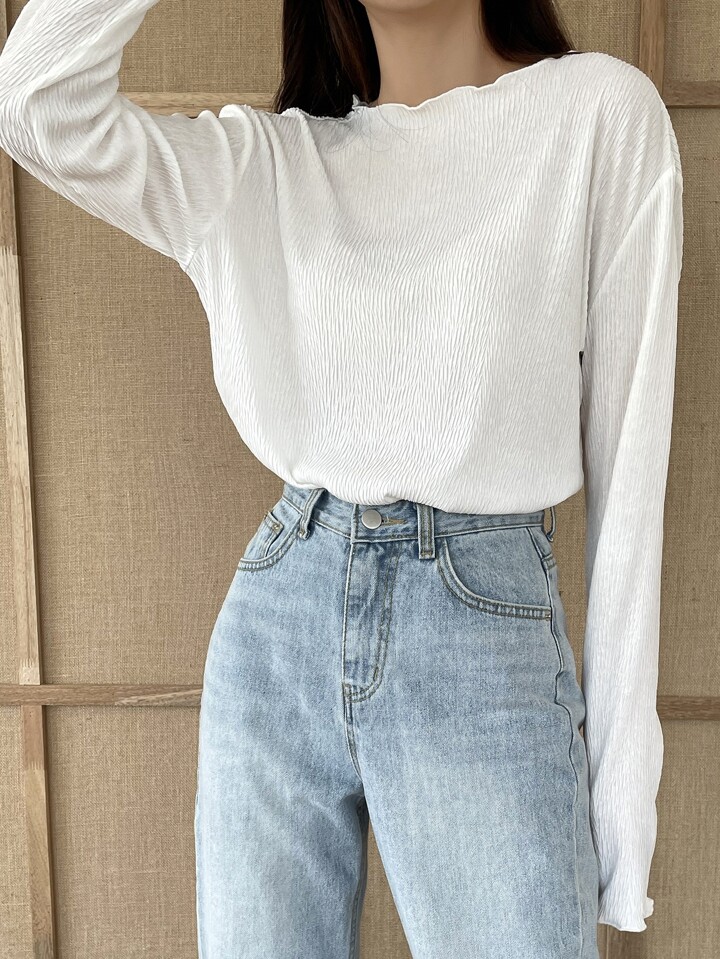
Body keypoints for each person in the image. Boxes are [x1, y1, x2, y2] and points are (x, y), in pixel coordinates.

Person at [0, 0, 684, 955]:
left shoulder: (597, 113)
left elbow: (631, 470)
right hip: (279, 617)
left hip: (483, 631)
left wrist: (622, 805)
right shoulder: (265, 165)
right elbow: (35, 101)